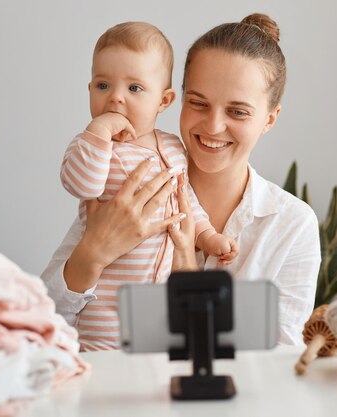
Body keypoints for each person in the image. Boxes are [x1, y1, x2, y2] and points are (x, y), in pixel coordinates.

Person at [42, 13, 321, 347]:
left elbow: (278, 364)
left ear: (270, 119)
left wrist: (188, 270)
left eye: (238, 112)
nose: (214, 126)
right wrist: (94, 253)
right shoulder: (130, 186)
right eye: (198, 103)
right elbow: (43, 321)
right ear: (174, 100)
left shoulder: (290, 225)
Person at [54, 22, 238, 351]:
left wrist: (207, 235)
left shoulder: (172, 148)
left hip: (160, 304)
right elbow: (81, 184)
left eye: (134, 89)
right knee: (106, 368)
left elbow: (187, 201)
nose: (116, 98)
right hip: (106, 307)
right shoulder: (93, 147)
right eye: (103, 85)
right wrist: (99, 131)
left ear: (164, 100)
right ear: (90, 90)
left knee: (155, 364)